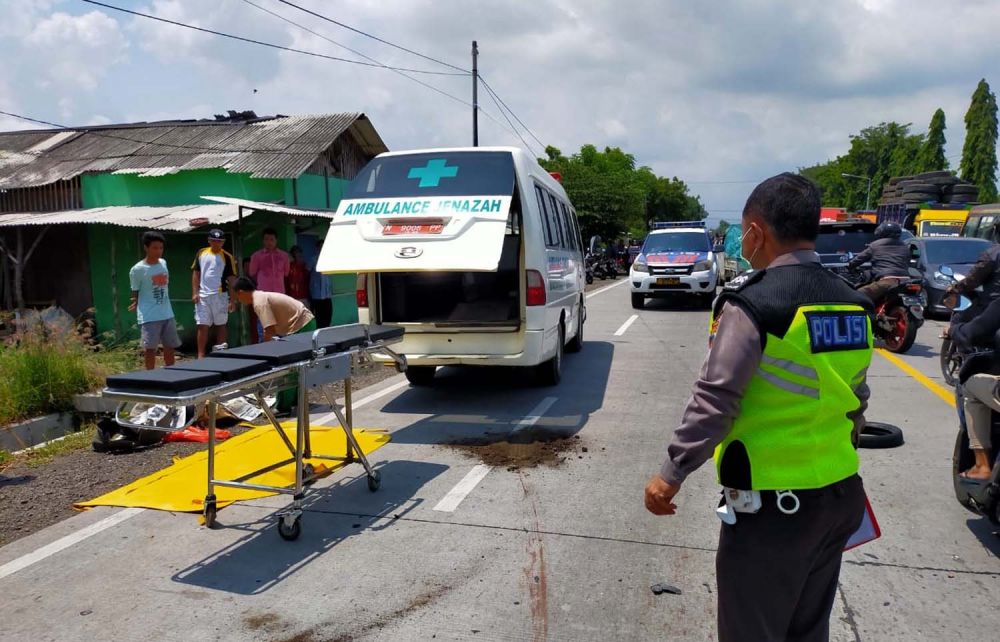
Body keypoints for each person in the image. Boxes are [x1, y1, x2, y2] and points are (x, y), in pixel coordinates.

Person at [644, 173, 872, 642]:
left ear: (755, 233)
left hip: (774, 512)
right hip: (839, 497)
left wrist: (671, 474)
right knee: (807, 630)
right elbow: (856, 400)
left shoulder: (753, 303)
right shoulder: (853, 304)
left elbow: (716, 397)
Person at [233, 277, 316, 413]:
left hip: (302, 325)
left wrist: (263, 354)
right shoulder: (261, 297)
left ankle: (284, 407)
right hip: (301, 324)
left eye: (237, 296)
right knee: (295, 367)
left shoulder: (259, 302)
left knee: (290, 368)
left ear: (241, 292)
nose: (238, 300)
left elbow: (269, 330)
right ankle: (295, 401)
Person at [129, 231, 180, 370]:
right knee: (150, 348)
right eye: (155, 248)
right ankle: (150, 377)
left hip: (167, 313)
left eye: (161, 248)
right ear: (146, 248)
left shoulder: (163, 263)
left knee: (170, 346)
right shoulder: (137, 269)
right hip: (149, 315)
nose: (159, 251)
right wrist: (135, 301)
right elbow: (135, 289)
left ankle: (171, 373)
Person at [191, 229, 237, 358]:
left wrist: (232, 300)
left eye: (219, 241)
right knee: (202, 324)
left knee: (221, 324)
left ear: (223, 242)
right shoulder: (201, 253)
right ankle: (200, 355)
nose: (217, 243)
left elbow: (232, 279)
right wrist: (195, 292)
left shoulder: (228, 257)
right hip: (203, 295)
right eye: (214, 241)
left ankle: (220, 354)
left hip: (220, 295)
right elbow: (196, 273)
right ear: (209, 241)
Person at [847, 222, 911, 305]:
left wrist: (850, 265)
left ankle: (869, 315)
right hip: (906, 280)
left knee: (858, 294)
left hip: (886, 281)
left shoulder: (875, 245)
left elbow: (858, 259)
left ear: (880, 232)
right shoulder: (905, 246)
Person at [309, 239, 334, 328]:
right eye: (320, 247)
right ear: (317, 248)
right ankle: (319, 339)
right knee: (319, 320)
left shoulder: (329, 260)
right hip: (317, 296)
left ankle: (327, 338)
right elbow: (306, 273)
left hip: (327, 295)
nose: (322, 249)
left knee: (328, 318)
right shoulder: (313, 260)